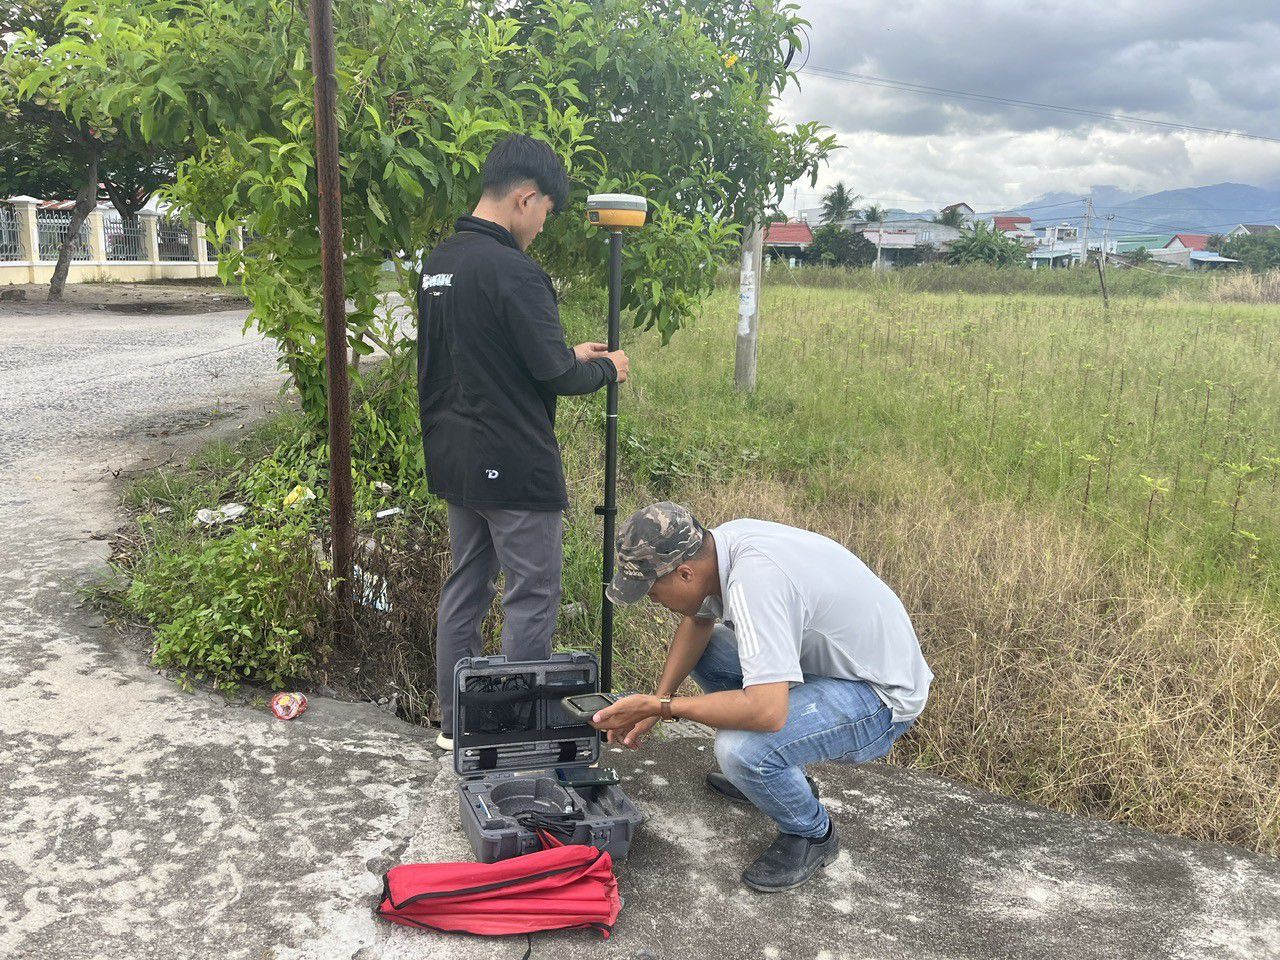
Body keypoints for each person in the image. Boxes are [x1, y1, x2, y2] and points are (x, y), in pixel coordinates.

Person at [592, 502, 933, 892]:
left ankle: (812, 835)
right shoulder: (720, 546)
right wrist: (660, 696)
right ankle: (779, 776)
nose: (653, 600)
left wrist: (664, 708)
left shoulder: (756, 584)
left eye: (652, 590)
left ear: (685, 573)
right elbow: (698, 618)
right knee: (711, 648)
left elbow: (767, 713)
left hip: (879, 697)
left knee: (743, 749)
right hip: (831, 669)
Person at [417, 134, 631, 750]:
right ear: (524, 198)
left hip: (454, 457)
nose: (540, 226)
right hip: (512, 465)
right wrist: (605, 367)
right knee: (531, 594)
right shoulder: (516, 271)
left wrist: (566, 352)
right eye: (544, 213)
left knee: (466, 584)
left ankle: (456, 725)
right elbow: (556, 377)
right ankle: (512, 731)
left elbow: (485, 357)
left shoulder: (441, 261)